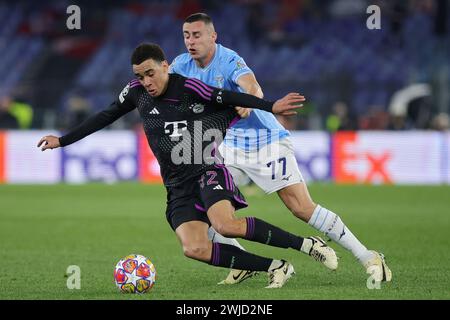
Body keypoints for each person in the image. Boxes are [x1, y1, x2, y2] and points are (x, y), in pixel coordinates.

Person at [37, 43, 337, 289]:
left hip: (207, 171)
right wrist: (63, 141)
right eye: (140, 76)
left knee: (225, 226)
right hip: (177, 186)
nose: (146, 82)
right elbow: (105, 115)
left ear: (165, 66)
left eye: (151, 74)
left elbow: (227, 96)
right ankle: (277, 266)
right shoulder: (136, 93)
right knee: (194, 248)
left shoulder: (189, 87)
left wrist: (270, 105)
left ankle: (307, 245)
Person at [170, 13, 392, 284]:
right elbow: (159, 86)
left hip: (266, 142)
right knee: (203, 207)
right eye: (186, 36)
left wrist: (248, 101)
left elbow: (253, 86)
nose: (191, 41)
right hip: (228, 147)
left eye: (197, 35)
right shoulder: (181, 65)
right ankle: (241, 263)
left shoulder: (228, 59)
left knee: (300, 207)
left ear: (212, 37)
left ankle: (368, 256)